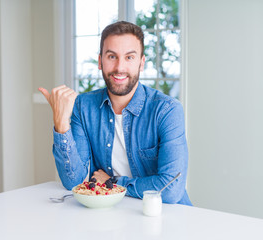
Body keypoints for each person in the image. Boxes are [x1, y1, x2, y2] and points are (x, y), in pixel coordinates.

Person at [39, 21, 192, 205]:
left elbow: (170, 191)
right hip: (111, 215)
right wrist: (61, 124)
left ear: (141, 63)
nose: (120, 67)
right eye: (112, 56)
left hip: (167, 218)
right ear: (100, 61)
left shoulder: (167, 110)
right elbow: (73, 181)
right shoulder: (84, 106)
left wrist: (113, 183)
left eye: (129, 57)